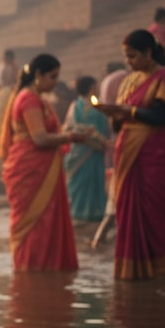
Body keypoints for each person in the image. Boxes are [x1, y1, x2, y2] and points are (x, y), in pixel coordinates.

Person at [94, 30, 165, 279]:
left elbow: (162, 116)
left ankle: (161, 269)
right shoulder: (129, 81)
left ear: (148, 53)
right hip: (129, 152)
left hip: (157, 153)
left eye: (132, 56)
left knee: (156, 213)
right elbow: (121, 122)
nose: (128, 62)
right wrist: (114, 114)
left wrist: (127, 111)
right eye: (126, 56)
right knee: (128, 212)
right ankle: (133, 270)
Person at [0, 54, 87, 271]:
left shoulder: (36, 98)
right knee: (38, 223)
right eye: (52, 77)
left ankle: (46, 270)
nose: (55, 82)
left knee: (46, 220)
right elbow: (39, 138)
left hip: (42, 167)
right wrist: (70, 136)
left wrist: (69, 133)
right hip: (31, 168)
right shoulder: (29, 99)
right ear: (38, 74)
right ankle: (33, 270)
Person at [63, 76, 111, 222]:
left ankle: (86, 211)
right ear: (91, 89)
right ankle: (85, 211)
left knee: (90, 180)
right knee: (85, 181)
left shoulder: (80, 105)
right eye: (95, 87)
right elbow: (70, 126)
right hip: (85, 149)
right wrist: (92, 134)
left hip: (88, 150)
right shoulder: (89, 106)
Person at [0, 49, 18, 149]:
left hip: (9, 92)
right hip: (3, 94)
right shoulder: (2, 66)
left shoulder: (14, 67)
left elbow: (15, 80)